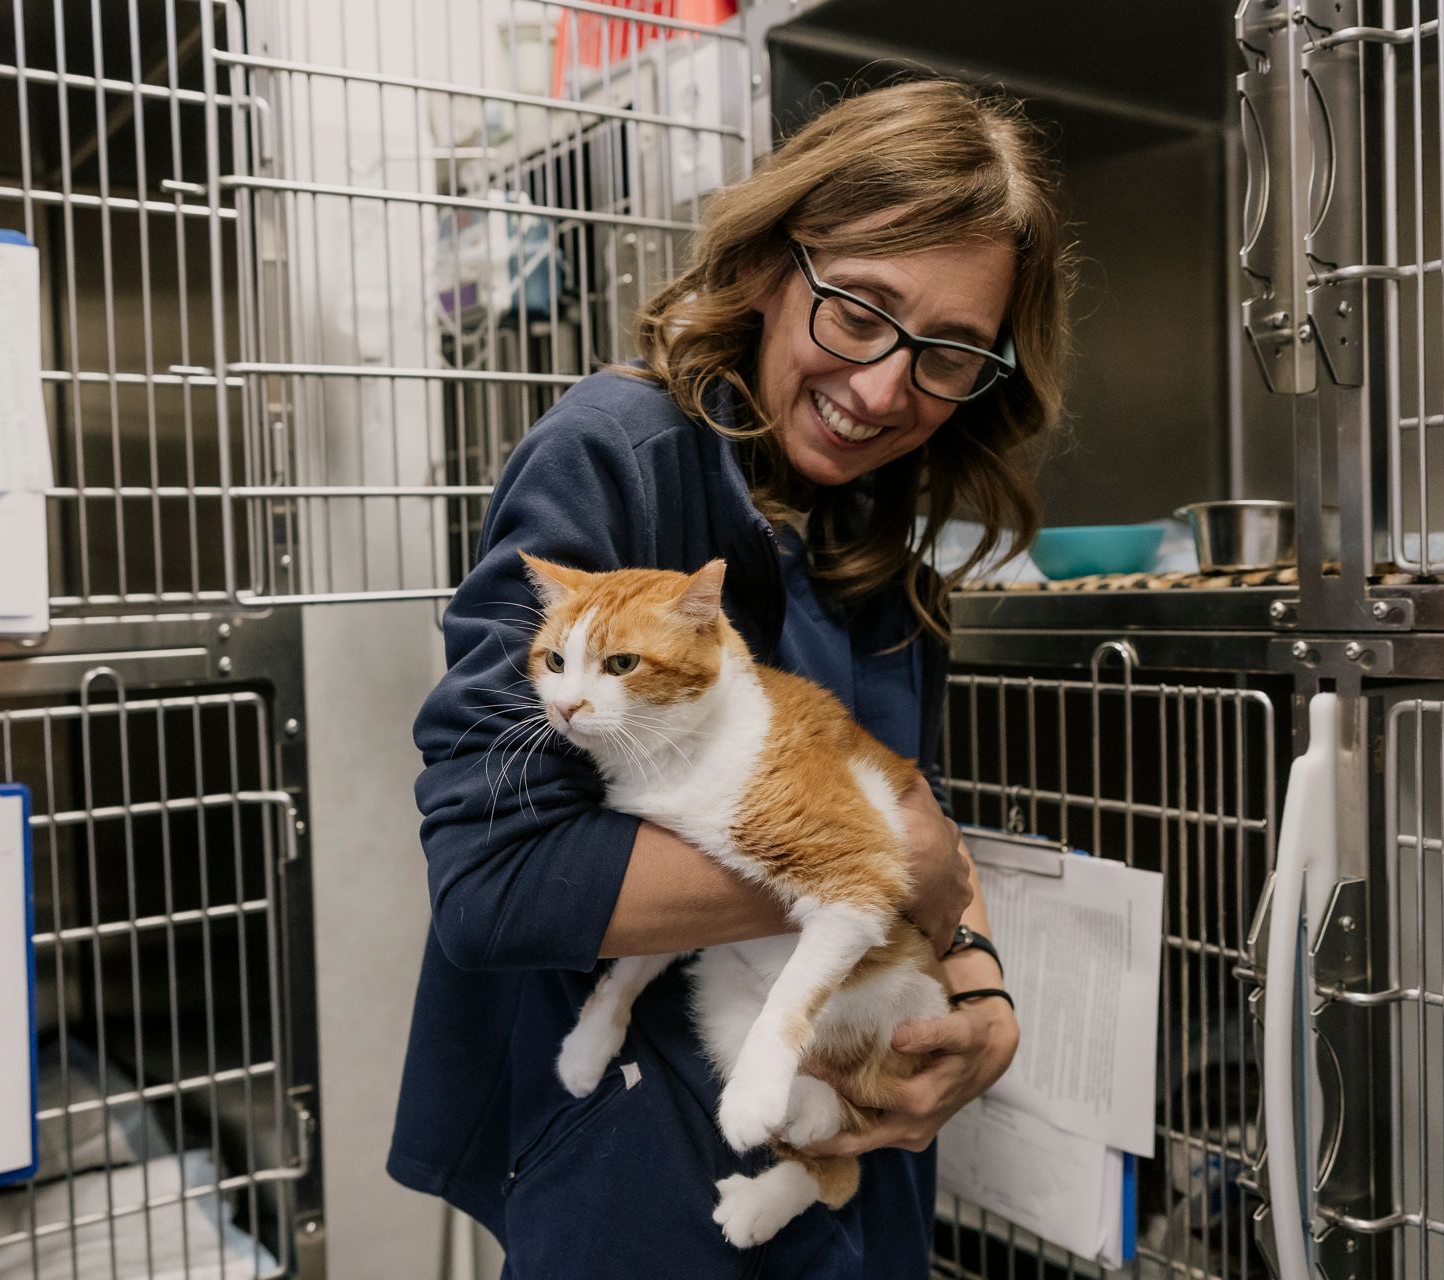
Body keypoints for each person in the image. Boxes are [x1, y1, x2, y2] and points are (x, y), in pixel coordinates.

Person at [389, 79, 1072, 1278]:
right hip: (637, 1170)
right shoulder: (618, 456)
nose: (881, 389)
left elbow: (916, 816)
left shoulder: (881, 541)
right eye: (859, 311)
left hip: (848, 1142)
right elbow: (495, 883)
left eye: (951, 353)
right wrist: (888, 867)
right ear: (768, 264)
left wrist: (979, 984)